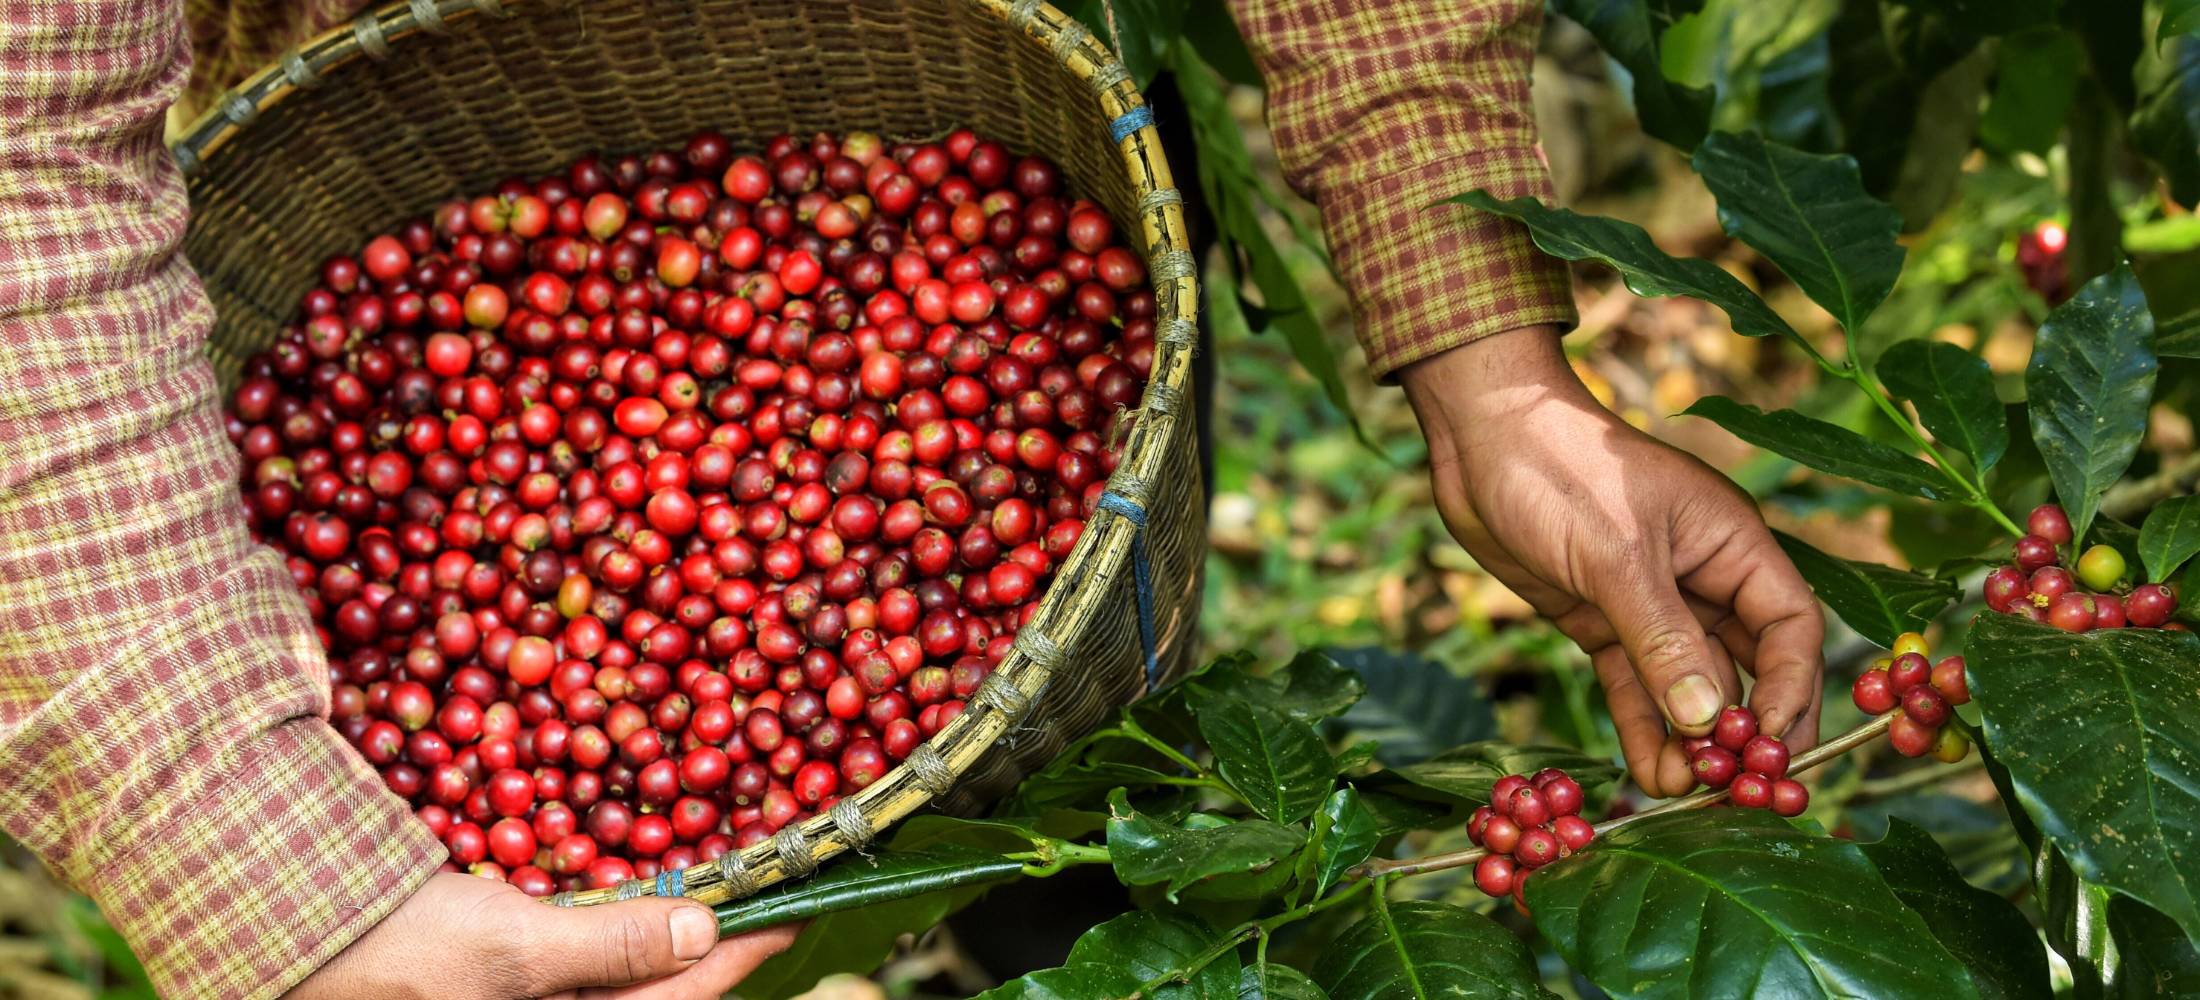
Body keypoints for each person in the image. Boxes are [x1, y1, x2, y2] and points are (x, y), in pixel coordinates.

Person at [0, 1, 1823, 998]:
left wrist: (1489, 363)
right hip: (368, 75)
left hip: (979, 48)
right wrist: (279, 890)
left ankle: (1081, 917)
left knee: (1110, 765)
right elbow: (21, 151)